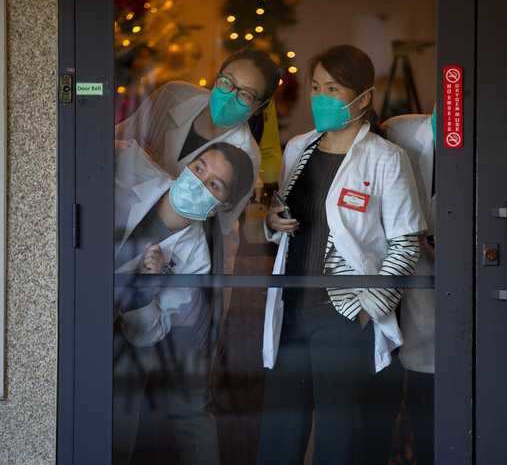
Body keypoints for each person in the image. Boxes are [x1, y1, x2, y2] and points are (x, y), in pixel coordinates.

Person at [257, 45, 426, 465]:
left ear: (362, 98)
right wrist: (271, 222)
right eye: (316, 87)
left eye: (333, 88)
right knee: (280, 431)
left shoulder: (386, 159)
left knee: (338, 436)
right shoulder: (300, 148)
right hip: (292, 307)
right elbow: (283, 219)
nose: (320, 97)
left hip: (344, 315)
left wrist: (368, 308)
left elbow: (406, 243)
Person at [113, 140, 254, 465]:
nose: (199, 181)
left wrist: (148, 287)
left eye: (214, 185)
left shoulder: (195, 262)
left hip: (118, 337)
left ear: (221, 205)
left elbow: (146, 334)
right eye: (199, 167)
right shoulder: (130, 163)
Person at [116, 48, 282, 273]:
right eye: (227, 82)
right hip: (117, 212)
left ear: (259, 107)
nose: (230, 94)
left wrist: (212, 296)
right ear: (217, 77)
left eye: (245, 95)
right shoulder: (173, 95)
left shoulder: (247, 156)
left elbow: (222, 229)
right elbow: (119, 140)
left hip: (166, 250)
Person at [382, 110, 436, 465]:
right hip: (388, 285)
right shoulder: (397, 131)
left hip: (434, 301)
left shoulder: (500, 130)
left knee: (427, 401)